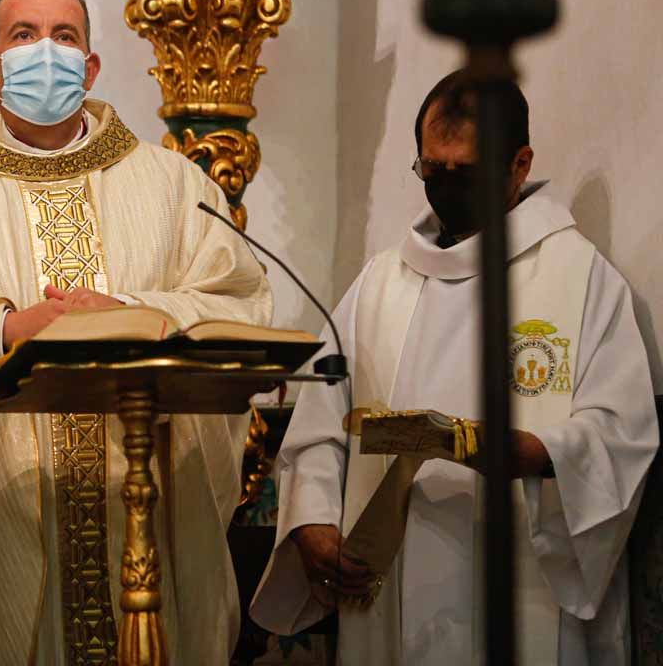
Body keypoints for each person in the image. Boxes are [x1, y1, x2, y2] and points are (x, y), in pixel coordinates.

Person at [0, 0, 273, 665]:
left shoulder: (171, 184)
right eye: (24, 35)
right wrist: (4, 329)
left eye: (65, 37)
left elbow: (239, 300)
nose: (47, 51)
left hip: (142, 503)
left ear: (92, 65)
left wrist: (138, 314)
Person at [250, 71, 658, 665]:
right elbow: (318, 425)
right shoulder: (380, 283)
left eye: (464, 173)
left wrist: (536, 452)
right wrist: (311, 521)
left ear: (518, 165)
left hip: (519, 572)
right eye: (430, 171)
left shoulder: (581, 278)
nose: (444, 188)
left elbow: (622, 432)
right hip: (387, 574)